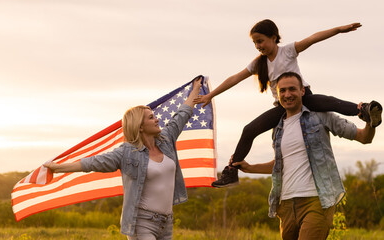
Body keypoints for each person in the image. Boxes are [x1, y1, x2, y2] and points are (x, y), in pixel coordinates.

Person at [195, 19, 382, 187]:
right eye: (254, 43)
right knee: (249, 130)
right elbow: (235, 78)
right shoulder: (259, 63)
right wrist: (211, 95)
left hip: (304, 97)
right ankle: (231, 171)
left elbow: (313, 38)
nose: (258, 46)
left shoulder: (288, 51)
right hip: (282, 106)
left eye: (260, 41)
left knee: (329, 102)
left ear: (274, 37)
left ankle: (363, 110)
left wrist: (339, 30)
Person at [44, 77, 202, 240]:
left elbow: (182, 115)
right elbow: (92, 163)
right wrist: (57, 168)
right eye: (151, 118)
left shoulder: (166, 140)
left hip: (166, 223)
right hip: (142, 223)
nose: (157, 119)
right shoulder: (127, 153)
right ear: (140, 126)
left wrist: (196, 89)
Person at [233, 72, 375, 240]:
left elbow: (364, 138)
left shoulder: (321, 116)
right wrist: (250, 168)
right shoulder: (277, 127)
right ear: (277, 95)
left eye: (292, 89)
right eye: (283, 91)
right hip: (285, 204)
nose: (287, 94)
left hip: (316, 201)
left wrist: (371, 122)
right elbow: (280, 164)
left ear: (302, 91)